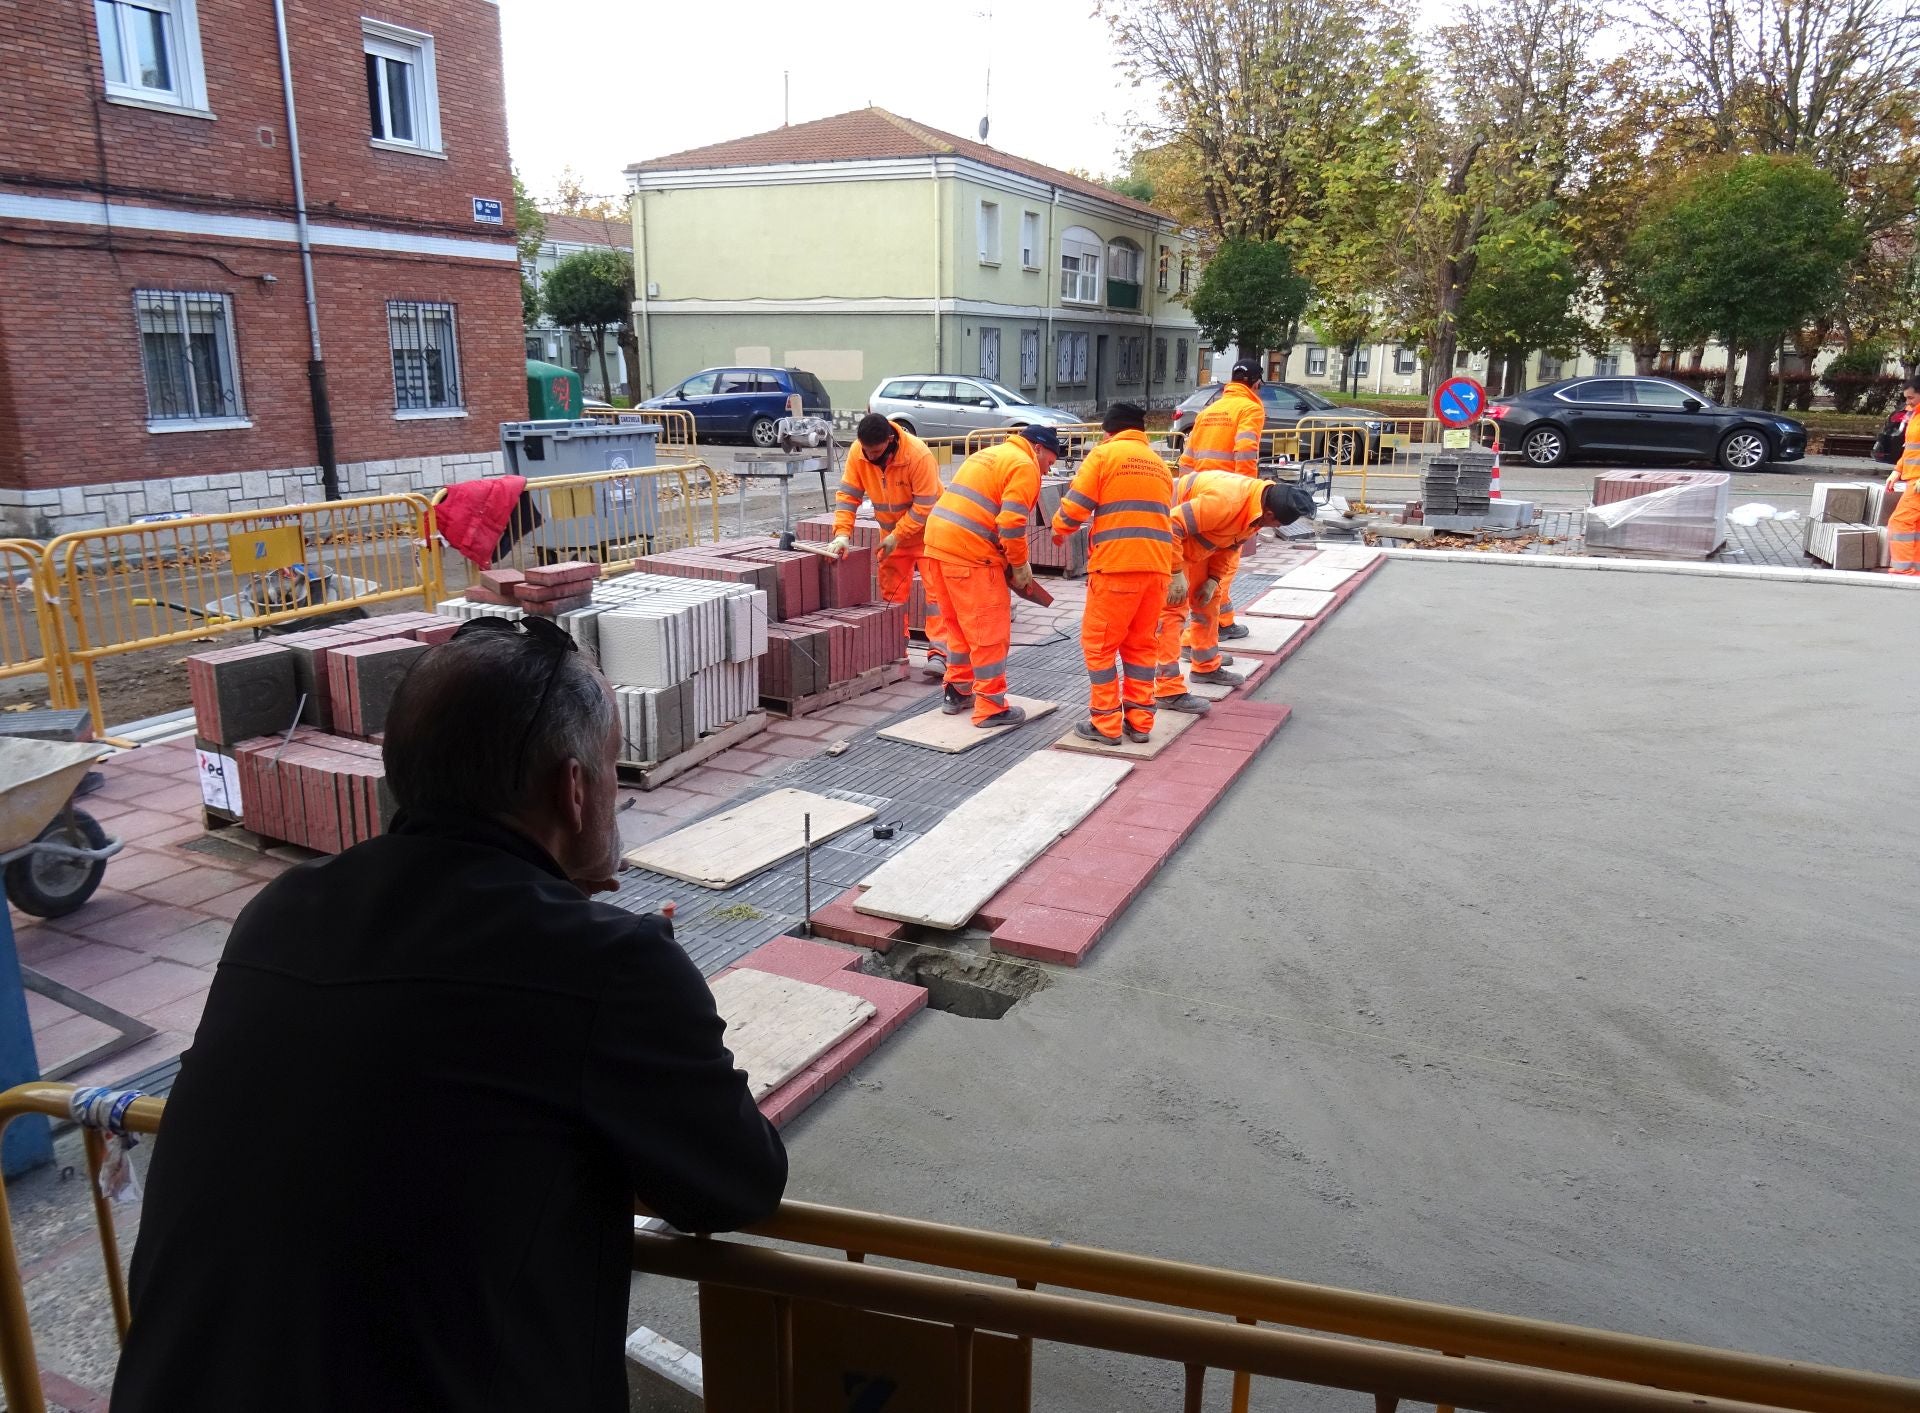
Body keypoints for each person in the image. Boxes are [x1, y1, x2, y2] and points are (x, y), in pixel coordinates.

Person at [112, 620, 787, 1413]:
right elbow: (740, 1182)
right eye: (611, 771)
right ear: (573, 790)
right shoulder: (607, 965)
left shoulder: (283, 909)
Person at [921, 424, 1062, 726]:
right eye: (1049, 462)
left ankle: (958, 690)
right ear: (1037, 448)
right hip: (969, 553)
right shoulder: (1025, 465)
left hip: (936, 545)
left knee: (958, 625)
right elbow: (1011, 524)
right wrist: (1021, 564)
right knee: (989, 633)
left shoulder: (990, 454)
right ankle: (991, 706)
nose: (1048, 471)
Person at [1050, 402, 1174, 743]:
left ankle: (1105, 724)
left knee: (1099, 646)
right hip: (1157, 570)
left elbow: (1074, 509)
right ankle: (1140, 722)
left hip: (1118, 569)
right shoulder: (1160, 466)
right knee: (1141, 647)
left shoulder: (1104, 456)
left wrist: (1058, 529)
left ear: (1108, 431)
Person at [1155, 475, 1318, 711]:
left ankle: (1205, 667)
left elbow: (1229, 545)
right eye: (1279, 525)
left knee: (1208, 601)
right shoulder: (1226, 502)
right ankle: (1167, 690)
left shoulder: (1256, 511)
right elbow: (1170, 526)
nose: (1277, 529)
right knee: (1172, 612)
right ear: (1270, 515)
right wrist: (1175, 572)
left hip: (1195, 543)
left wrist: (1213, 579)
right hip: (1166, 540)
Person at [829, 413, 947, 669]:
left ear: (890, 440)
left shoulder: (918, 455)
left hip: (931, 535)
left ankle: (940, 652)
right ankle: (896, 645)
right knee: (891, 596)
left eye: (877, 451)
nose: (870, 456)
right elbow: (848, 495)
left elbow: (925, 505)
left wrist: (897, 535)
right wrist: (841, 533)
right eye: (866, 450)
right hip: (893, 538)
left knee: (938, 594)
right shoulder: (858, 452)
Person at [1178, 359, 1267, 641]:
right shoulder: (1250, 408)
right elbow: (1245, 450)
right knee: (1224, 563)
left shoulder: (1209, 411)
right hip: (1230, 499)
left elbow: (1188, 458)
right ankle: (1209, 628)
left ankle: (1222, 621)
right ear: (1256, 383)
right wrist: (1250, 494)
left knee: (1202, 565)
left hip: (1200, 496)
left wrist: (1185, 494)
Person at [1888, 377, 1920, 576]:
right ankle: (1913, 569)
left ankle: (1904, 569)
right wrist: (1897, 470)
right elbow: (1911, 449)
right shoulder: (1915, 415)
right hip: (1913, 479)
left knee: (1900, 522)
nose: (1907, 402)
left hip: (1917, 482)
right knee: (1914, 526)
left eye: (1911, 397)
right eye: (1906, 398)